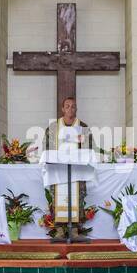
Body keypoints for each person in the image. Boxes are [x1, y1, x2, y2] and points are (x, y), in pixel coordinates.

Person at [42, 97, 92, 238]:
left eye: (73, 106)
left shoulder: (83, 126)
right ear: (62, 109)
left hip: (77, 170)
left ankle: (75, 229)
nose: (70, 109)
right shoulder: (53, 128)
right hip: (58, 171)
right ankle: (58, 229)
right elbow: (47, 147)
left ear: (76, 109)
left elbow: (89, 148)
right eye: (67, 106)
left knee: (78, 196)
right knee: (57, 196)